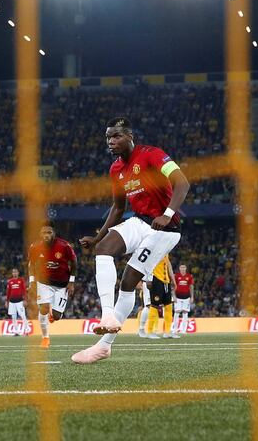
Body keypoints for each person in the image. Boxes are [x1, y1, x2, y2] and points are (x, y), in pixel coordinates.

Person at [75, 117, 190, 364]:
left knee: (128, 282)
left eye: (116, 136)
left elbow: (182, 183)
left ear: (129, 136)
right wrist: (97, 238)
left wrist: (167, 214)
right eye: (108, 137)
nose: (111, 141)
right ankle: (107, 316)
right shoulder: (116, 169)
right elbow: (117, 208)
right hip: (139, 221)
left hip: (165, 229)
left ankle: (104, 346)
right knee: (104, 249)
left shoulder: (152, 155)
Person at [28, 223, 77, 348]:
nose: (46, 235)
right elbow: (31, 264)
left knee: (56, 316)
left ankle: (53, 313)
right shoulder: (35, 247)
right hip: (44, 283)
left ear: (54, 233)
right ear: (40, 234)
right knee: (43, 308)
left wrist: (71, 281)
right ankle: (45, 338)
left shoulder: (64, 246)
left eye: (49, 232)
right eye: (44, 233)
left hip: (62, 284)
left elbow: (74, 262)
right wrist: (32, 280)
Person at [144, 255, 176, 339]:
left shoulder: (166, 252)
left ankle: (167, 332)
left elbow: (169, 266)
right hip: (156, 279)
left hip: (166, 281)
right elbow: (146, 264)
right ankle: (150, 331)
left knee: (168, 305)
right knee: (154, 305)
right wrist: (148, 279)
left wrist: (173, 279)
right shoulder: (154, 250)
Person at [172, 264, 195, 337]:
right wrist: (174, 296)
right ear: (179, 268)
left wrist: (192, 297)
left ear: (186, 268)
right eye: (181, 267)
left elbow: (191, 287)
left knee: (185, 312)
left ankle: (184, 330)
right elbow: (173, 286)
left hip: (186, 297)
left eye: (184, 267)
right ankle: (175, 329)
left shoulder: (189, 276)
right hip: (178, 297)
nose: (182, 268)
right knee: (177, 312)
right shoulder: (176, 276)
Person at [5, 268, 28, 337]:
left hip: (19, 301)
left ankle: (26, 331)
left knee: (23, 315)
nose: (14, 273)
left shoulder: (21, 280)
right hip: (12, 302)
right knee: (13, 317)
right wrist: (7, 301)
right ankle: (16, 331)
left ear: (18, 273)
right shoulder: (10, 281)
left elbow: (24, 290)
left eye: (16, 272)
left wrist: (25, 300)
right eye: (13, 272)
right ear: (12, 273)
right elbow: (8, 292)